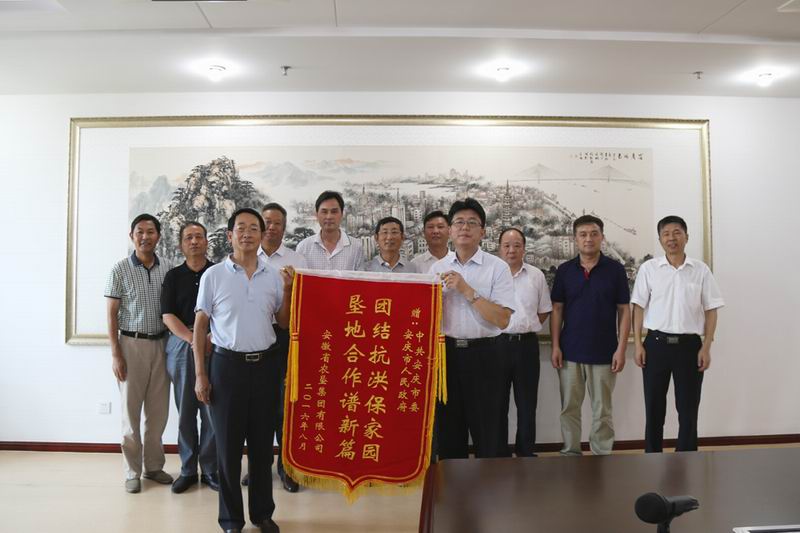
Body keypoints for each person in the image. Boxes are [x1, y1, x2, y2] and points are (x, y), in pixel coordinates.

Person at [193, 208, 293, 533]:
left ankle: (262, 514)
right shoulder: (213, 275)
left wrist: (288, 291)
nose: (247, 233)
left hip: (265, 368)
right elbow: (200, 327)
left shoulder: (273, 276)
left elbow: (283, 323)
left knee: (262, 448)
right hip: (226, 368)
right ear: (229, 235)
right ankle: (231, 520)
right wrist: (201, 375)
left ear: (262, 235)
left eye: (254, 228)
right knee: (228, 449)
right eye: (241, 228)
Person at [430, 198, 516, 459]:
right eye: (458, 222)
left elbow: (502, 319)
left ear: (483, 231)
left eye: (471, 223)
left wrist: (467, 290)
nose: (464, 227)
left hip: (487, 356)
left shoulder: (497, 268)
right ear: (450, 230)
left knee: (490, 431)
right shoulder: (437, 269)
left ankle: (491, 484)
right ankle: (451, 485)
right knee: (449, 432)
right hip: (447, 357)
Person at [631, 215, 724, 452]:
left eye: (677, 233)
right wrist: (638, 345)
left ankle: (687, 457)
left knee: (688, 408)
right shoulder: (649, 269)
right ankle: (653, 456)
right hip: (656, 345)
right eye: (666, 234)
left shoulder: (700, 270)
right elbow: (638, 308)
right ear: (660, 239)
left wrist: (706, 347)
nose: (671, 238)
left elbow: (711, 310)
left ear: (686, 237)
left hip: (689, 347)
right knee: (654, 407)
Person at [550, 215, 631, 456]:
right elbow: (557, 309)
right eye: (583, 234)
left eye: (594, 234)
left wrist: (621, 349)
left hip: (605, 352)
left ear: (602, 237)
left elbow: (624, 310)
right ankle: (570, 453)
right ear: (575, 238)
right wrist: (555, 346)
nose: (588, 239)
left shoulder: (615, 270)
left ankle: (601, 455)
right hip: (570, 352)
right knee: (569, 408)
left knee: (602, 410)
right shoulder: (565, 271)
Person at [104, 213, 173, 493]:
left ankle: (153, 466)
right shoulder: (120, 269)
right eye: (140, 232)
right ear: (132, 236)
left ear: (158, 236)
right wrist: (116, 354)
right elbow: (111, 314)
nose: (145, 236)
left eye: (151, 231)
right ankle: (132, 471)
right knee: (130, 413)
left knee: (158, 413)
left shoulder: (167, 268)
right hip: (131, 345)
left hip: (162, 344)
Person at [251, 202, 308, 493]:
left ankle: (287, 468)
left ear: (284, 228)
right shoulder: (246, 257)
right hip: (253, 336)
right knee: (257, 404)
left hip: (286, 337)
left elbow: (309, 302)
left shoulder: (298, 260)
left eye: (277, 223)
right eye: (267, 222)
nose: (271, 227)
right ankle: (258, 468)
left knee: (285, 405)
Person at [161, 221, 218, 493]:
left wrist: (208, 338)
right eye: (188, 238)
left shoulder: (218, 273)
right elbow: (167, 315)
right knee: (185, 411)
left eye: (198, 236)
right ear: (181, 244)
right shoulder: (173, 277)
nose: (194, 241)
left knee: (211, 409)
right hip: (183, 344)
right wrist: (192, 339)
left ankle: (210, 469)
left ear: (207, 241)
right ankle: (187, 470)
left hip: (214, 345)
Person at [497, 227, 552, 457]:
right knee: (497, 404)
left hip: (526, 346)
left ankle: (526, 452)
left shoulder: (536, 275)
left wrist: (526, 325)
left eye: (517, 245)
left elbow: (544, 310)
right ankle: (498, 453)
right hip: (496, 345)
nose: (511, 250)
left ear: (524, 248)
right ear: (499, 248)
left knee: (527, 404)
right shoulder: (491, 274)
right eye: (507, 246)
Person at [296, 190, 363, 270]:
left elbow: (360, 277)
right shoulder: (303, 248)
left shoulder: (356, 247)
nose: (329, 217)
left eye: (334, 212)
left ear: (342, 214)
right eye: (324, 212)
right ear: (316, 215)